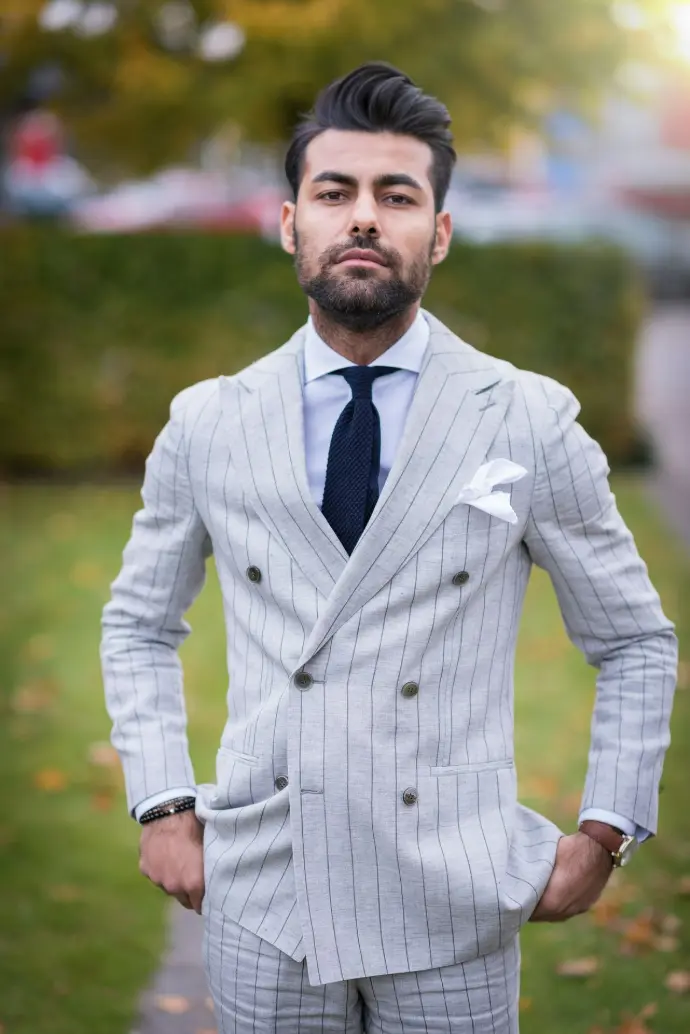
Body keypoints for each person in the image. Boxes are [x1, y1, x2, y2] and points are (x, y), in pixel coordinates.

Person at [100, 62, 678, 1033]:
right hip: (262, 896)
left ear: (439, 233)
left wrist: (607, 829)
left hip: (453, 902)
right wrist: (163, 800)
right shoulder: (208, 421)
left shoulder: (528, 418)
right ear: (291, 223)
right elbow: (138, 622)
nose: (363, 217)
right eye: (335, 192)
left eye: (396, 195)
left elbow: (634, 639)